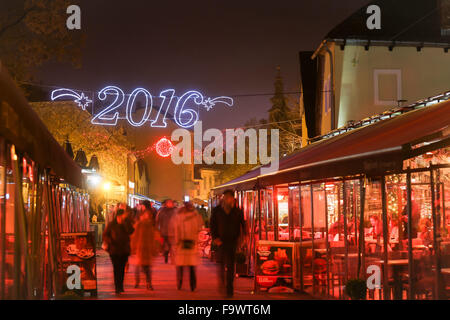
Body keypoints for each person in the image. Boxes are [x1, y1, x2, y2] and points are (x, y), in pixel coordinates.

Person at [210, 190, 246, 298]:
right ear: (223, 198)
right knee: (221, 264)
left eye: (229, 197)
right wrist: (215, 238)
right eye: (225, 197)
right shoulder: (217, 211)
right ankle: (222, 283)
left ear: (233, 199)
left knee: (230, 266)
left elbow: (243, 225)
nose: (227, 199)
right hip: (220, 241)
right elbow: (213, 225)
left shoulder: (237, 211)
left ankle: (229, 288)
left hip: (232, 241)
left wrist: (244, 237)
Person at [171, 202, 203, 291]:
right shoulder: (196, 216)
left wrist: (177, 242)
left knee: (180, 265)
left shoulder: (179, 216)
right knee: (192, 265)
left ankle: (179, 283)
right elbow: (199, 228)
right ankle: (193, 285)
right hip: (192, 243)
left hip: (181, 243)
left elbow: (176, 230)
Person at [102, 209, 134, 294]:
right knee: (116, 269)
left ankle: (121, 287)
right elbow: (105, 235)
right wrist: (110, 241)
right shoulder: (111, 224)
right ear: (118, 216)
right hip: (114, 250)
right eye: (123, 215)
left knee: (122, 268)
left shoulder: (126, 223)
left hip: (124, 250)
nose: (123, 217)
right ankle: (117, 287)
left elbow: (131, 231)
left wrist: (125, 223)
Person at [131, 206, 157, 290]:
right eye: (146, 215)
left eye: (149, 215)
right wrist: (133, 247)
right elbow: (134, 237)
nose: (148, 216)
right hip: (140, 249)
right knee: (139, 267)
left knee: (147, 268)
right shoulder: (139, 224)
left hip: (147, 249)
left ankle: (148, 283)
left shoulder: (150, 225)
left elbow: (154, 238)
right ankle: (137, 282)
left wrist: (154, 248)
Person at [156, 199, 177, 263]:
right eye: (168, 203)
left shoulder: (175, 211)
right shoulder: (162, 211)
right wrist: (157, 229)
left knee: (173, 246)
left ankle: (173, 259)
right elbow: (157, 220)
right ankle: (166, 255)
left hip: (173, 232)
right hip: (164, 231)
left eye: (171, 203)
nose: (170, 204)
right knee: (166, 246)